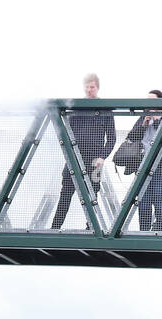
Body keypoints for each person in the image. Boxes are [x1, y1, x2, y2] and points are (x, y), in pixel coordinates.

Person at [51, 74, 116, 230]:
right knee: (66, 192)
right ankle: (54, 228)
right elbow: (65, 132)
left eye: (92, 87)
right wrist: (68, 154)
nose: (89, 90)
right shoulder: (76, 107)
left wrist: (102, 156)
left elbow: (112, 138)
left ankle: (91, 229)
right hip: (74, 158)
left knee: (92, 194)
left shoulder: (105, 108)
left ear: (97, 87)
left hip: (95, 160)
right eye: (86, 87)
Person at [122, 90, 162, 232]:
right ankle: (144, 234)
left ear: (161, 101)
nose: (149, 103)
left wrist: (157, 121)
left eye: (153, 100)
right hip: (143, 168)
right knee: (143, 204)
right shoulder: (142, 118)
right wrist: (144, 124)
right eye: (148, 100)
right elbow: (131, 137)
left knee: (161, 205)